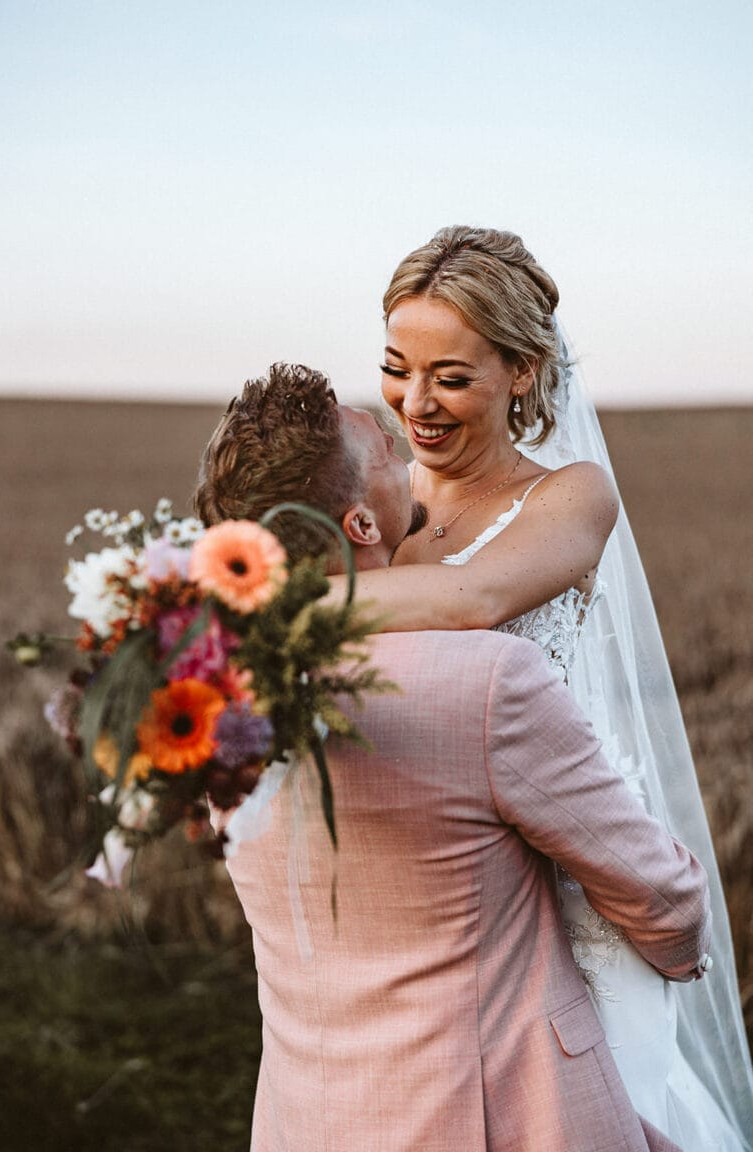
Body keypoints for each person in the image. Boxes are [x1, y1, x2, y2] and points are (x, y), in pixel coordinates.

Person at [193, 362, 712, 1152]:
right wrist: (660, 966)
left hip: (308, 1118)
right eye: (389, 454)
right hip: (501, 1117)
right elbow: (665, 901)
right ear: (362, 525)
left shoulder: (214, 707)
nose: (413, 457)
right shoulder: (486, 681)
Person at [324, 226, 753, 1149]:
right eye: (398, 368)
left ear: (522, 371)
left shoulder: (570, 496)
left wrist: (269, 606)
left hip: (566, 886)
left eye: (452, 375)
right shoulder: (379, 504)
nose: (415, 403)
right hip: (428, 882)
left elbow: (473, 598)